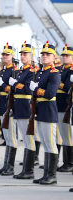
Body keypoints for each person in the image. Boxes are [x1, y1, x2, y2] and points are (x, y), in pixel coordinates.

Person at [30, 41, 60, 185]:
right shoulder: (41, 72)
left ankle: (52, 175)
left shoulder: (54, 73)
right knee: (45, 144)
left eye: (48, 54)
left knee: (50, 144)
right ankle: (46, 174)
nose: (44, 56)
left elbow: (49, 94)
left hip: (48, 110)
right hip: (41, 110)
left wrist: (35, 89)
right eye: (43, 54)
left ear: (54, 57)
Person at [0, 43, 20, 176]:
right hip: (3, 104)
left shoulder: (15, 71)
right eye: (3, 54)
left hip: (10, 106)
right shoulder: (3, 70)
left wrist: (2, 83)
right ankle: (5, 165)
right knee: (7, 137)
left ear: (12, 56)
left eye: (7, 54)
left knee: (11, 137)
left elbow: (12, 88)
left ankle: (10, 167)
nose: (4, 56)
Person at [11, 42, 36, 179]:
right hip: (19, 106)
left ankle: (29, 170)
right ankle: (26, 169)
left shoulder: (31, 71)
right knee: (25, 139)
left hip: (26, 106)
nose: (22, 56)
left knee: (29, 139)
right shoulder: (22, 71)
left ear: (31, 56)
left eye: (25, 54)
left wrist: (14, 84)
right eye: (21, 54)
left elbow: (27, 88)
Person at [56, 44, 73, 172]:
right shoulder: (60, 70)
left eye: (67, 56)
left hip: (65, 106)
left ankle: (69, 163)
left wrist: (56, 83)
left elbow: (67, 87)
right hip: (57, 105)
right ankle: (64, 162)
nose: (64, 57)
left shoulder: (71, 71)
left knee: (67, 136)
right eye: (63, 55)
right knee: (61, 135)